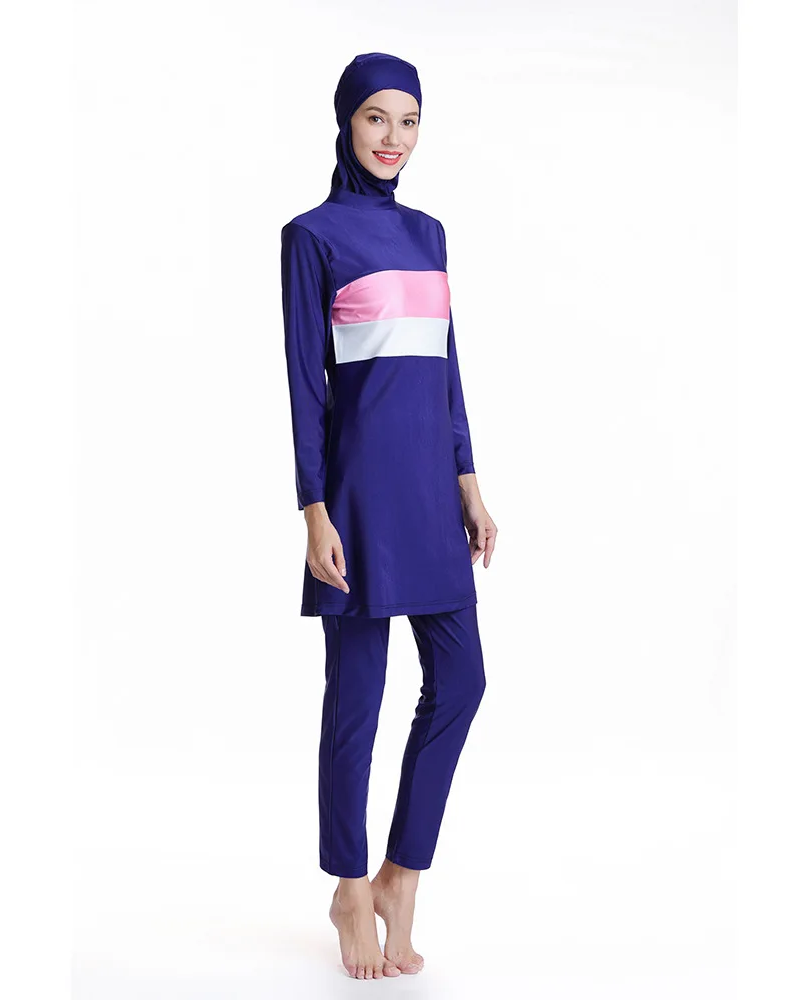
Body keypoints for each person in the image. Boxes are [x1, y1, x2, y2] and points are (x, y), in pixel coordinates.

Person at [279, 52, 498, 981]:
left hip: (431, 491)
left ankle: (400, 875)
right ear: (346, 121)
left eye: (409, 121)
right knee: (357, 702)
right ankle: (346, 886)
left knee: (462, 679)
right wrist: (313, 508)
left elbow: (447, 367)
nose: (393, 138)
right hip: (360, 497)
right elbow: (305, 384)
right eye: (376, 117)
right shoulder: (311, 236)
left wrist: (469, 480)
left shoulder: (429, 232)